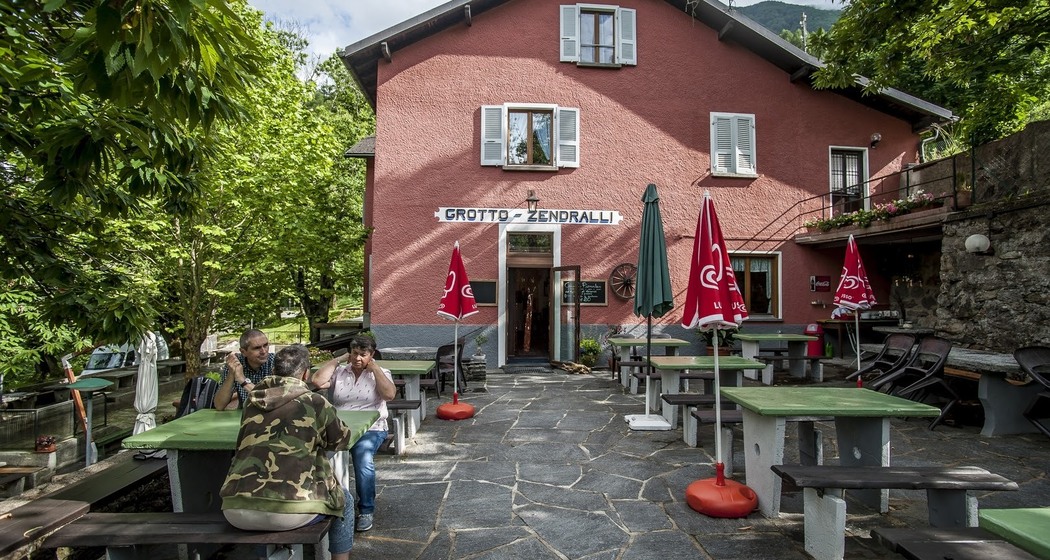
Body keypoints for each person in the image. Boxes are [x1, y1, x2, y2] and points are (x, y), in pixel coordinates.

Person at [219, 344, 355, 560]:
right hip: (292, 510)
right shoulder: (315, 402)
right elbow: (342, 440)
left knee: (259, 511)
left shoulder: (252, 403)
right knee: (345, 502)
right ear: (305, 374)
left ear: (275, 371)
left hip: (236, 508)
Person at [310, 334, 396, 533]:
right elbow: (317, 381)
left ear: (371, 355)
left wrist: (374, 368)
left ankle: (366, 510)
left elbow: (389, 395)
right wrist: (339, 359)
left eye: (363, 354)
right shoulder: (340, 371)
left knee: (362, 457)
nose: (358, 358)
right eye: (354, 353)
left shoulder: (381, 372)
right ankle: (323, 501)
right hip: (338, 426)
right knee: (318, 454)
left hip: (371, 428)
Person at [214, 329, 274, 410]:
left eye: (266, 345)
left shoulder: (276, 362)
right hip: (245, 417)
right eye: (257, 348)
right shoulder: (236, 363)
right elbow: (219, 405)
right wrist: (231, 374)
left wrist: (243, 380)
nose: (264, 351)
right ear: (243, 352)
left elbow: (272, 400)